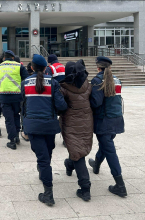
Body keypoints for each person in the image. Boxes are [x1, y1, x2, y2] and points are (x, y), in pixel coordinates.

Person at [22, 54, 67, 206]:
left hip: (33, 126)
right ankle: (44, 173)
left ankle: (48, 194)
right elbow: (61, 106)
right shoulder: (54, 83)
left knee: (43, 159)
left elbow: (21, 105)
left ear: (32, 67)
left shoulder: (25, 82)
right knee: (46, 154)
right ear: (46, 68)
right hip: (49, 126)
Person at [88, 56, 127, 197]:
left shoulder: (97, 80)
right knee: (106, 145)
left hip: (104, 121)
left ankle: (120, 185)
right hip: (117, 119)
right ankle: (96, 164)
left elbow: (96, 103)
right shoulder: (117, 80)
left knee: (109, 150)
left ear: (98, 67)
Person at [60, 60, 93, 202]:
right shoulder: (88, 85)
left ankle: (85, 189)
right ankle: (69, 165)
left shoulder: (63, 88)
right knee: (77, 150)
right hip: (86, 123)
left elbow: (60, 106)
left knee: (78, 154)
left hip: (71, 124)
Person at [0, 50, 29, 150]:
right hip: (17, 96)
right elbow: (26, 80)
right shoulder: (19, 66)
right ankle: (17, 137)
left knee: (8, 118)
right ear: (13, 57)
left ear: (4, 58)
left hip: (4, 96)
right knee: (16, 115)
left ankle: (12, 140)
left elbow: (0, 80)